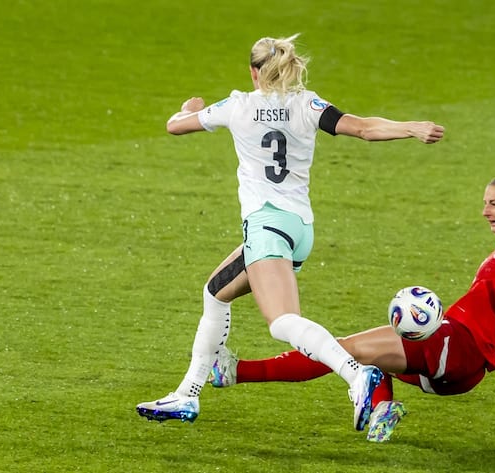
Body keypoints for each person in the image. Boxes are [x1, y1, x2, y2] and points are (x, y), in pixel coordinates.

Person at [135, 34, 445, 431]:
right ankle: (187, 394)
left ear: (253, 72)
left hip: (266, 226)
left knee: (282, 321)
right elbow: (365, 128)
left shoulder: (237, 106)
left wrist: (185, 109)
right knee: (215, 292)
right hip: (298, 229)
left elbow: (175, 127)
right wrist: (411, 127)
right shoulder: (307, 105)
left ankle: (357, 376)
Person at [205, 170, 495, 442]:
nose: (485, 211)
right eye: (484, 203)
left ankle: (233, 372)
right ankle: (380, 409)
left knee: (345, 350)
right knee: (364, 363)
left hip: (460, 344)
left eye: (493, 203)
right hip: (459, 367)